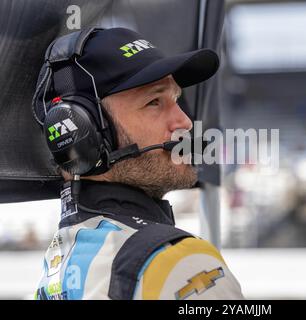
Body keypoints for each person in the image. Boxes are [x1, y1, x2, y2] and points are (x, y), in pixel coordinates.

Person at [32, 27, 244, 300]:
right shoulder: (183, 264)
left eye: (176, 99)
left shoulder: (57, 268)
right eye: (154, 102)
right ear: (83, 134)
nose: (184, 122)